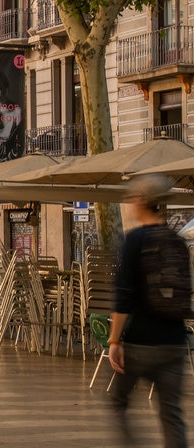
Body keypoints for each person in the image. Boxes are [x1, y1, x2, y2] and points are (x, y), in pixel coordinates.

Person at [109, 174, 189, 447]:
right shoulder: (177, 242)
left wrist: (115, 340)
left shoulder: (135, 239)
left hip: (140, 343)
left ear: (143, 200)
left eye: (132, 197)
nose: (130, 202)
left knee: (118, 402)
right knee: (171, 414)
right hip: (175, 342)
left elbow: (124, 296)